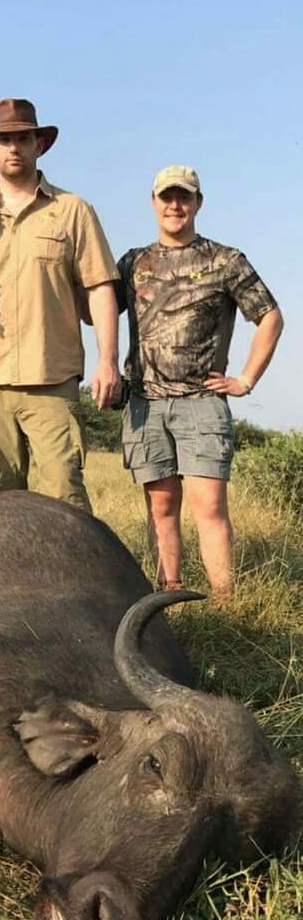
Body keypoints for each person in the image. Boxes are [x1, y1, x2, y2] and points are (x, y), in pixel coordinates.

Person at [0, 98, 120, 513]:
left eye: (23, 138)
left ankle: (73, 580)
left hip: (52, 377)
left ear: (39, 145)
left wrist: (108, 361)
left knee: (65, 502)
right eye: (4, 139)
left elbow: (101, 287)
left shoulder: (72, 211)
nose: (13, 147)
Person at [116, 165, 283, 600]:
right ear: (153, 202)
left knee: (208, 507)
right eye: (167, 197)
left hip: (202, 403)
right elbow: (91, 308)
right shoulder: (133, 263)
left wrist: (245, 379)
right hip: (145, 404)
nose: (175, 205)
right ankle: (168, 598)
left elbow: (270, 316)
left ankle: (224, 603)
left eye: (184, 197)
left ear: (198, 203)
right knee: (161, 507)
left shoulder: (225, 260)